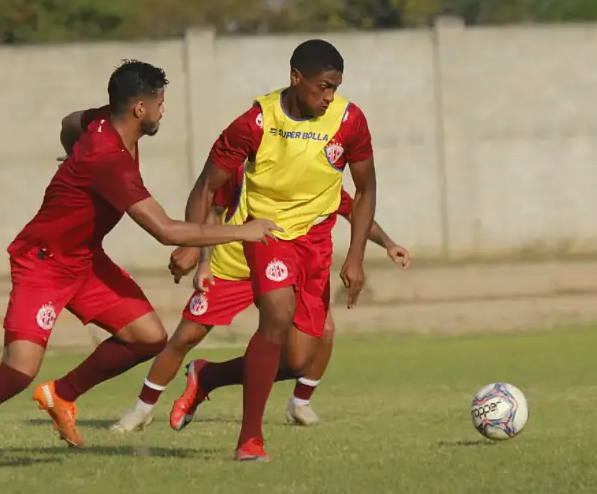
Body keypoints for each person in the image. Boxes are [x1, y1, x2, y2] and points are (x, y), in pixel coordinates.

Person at [0, 60, 279, 476]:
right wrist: (242, 231)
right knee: (18, 371)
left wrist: (72, 156)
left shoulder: (103, 120)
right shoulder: (109, 160)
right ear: (140, 108)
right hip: (44, 262)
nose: (163, 111)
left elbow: (69, 123)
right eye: (160, 103)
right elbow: (164, 230)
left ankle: (62, 395)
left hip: (85, 259)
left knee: (148, 337)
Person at [170, 39, 377, 462]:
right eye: (323, 86)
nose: (329, 96)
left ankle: (208, 375)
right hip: (268, 234)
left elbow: (366, 188)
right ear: (296, 78)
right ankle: (250, 440)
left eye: (336, 87)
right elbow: (206, 186)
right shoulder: (256, 122)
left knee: (298, 360)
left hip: (316, 242)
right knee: (277, 314)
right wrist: (191, 242)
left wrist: (356, 256)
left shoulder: (349, 120)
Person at [108, 166, 408, 434]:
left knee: (316, 339)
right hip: (232, 266)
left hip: (282, 270)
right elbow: (213, 210)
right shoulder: (245, 167)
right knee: (187, 336)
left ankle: (298, 402)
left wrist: (388, 243)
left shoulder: (318, 174)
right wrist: (203, 261)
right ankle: (142, 409)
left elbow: (354, 211)